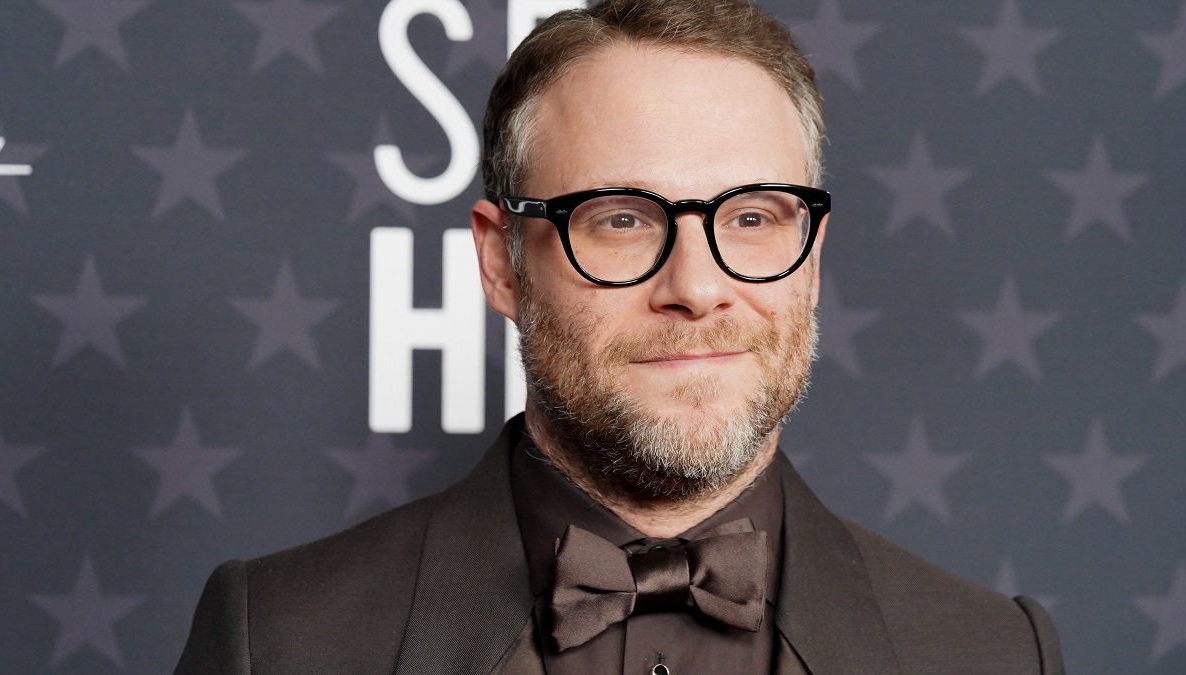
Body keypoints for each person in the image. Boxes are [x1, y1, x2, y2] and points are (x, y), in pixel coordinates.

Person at [174, 1, 1066, 673]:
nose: (698, 288)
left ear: (812, 253)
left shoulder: (992, 652)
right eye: (622, 220)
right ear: (500, 262)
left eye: (752, 217)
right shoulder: (282, 638)